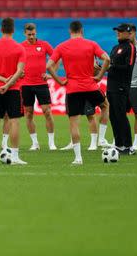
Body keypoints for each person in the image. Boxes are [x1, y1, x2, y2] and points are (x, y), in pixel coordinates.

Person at [46, 21, 110, 165]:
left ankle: (78, 158)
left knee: (74, 123)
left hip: (72, 88)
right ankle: (101, 138)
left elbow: (49, 66)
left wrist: (59, 81)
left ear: (70, 31)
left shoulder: (62, 46)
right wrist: (99, 76)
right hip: (90, 86)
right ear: (82, 30)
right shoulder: (91, 44)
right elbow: (107, 58)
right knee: (105, 105)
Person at [0, 18, 27, 165]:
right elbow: (19, 71)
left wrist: (2, 81)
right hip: (14, 89)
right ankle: (14, 157)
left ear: (1, 30)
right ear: (13, 30)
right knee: (14, 122)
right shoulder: (20, 48)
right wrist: (8, 83)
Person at [20, 23, 57, 151]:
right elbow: (14, 62)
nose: (31, 37)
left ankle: (51, 143)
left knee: (47, 111)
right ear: (24, 34)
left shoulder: (44, 45)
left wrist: (51, 74)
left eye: (33, 34)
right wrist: (19, 72)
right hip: (26, 85)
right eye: (29, 34)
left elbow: (56, 58)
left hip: (41, 84)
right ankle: (35, 143)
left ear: (36, 32)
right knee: (29, 114)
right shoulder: (21, 47)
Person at [103, 23, 136, 155]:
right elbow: (111, 66)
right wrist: (102, 67)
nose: (118, 33)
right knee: (113, 116)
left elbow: (128, 67)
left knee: (121, 115)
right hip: (111, 86)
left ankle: (128, 146)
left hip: (122, 86)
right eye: (117, 31)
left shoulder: (130, 48)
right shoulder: (115, 48)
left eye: (121, 31)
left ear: (128, 33)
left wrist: (111, 66)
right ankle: (118, 144)